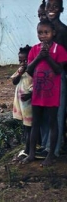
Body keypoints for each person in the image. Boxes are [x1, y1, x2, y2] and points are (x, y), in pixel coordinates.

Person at [22, 19, 67, 166]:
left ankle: (50, 155)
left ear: (53, 33)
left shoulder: (59, 50)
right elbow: (29, 69)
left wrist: (47, 57)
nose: (43, 36)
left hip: (52, 95)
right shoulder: (35, 50)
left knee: (53, 122)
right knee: (36, 123)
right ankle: (32, 154)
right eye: (40, 33)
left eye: (46, 32)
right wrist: (39, 57)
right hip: (38, 93)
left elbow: (59, 69)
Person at [44, 0, 67, 157]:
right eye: (49, 6)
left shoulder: (63, 30)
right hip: (47, 77)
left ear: (61, 9)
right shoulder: (47, 30)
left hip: (60, 76)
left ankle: (55, 149)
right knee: (48, 112)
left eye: (55, 7)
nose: (51, 9)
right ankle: (48, 146)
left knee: (58, 113)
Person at [10, 45, 34, 163]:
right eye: (21, 61)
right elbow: (14, 81)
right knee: (25, 127)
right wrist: (20, 72)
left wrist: (30, 95)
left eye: (26, 60)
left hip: (29, 103)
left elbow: (36, 86)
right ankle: (27, 148)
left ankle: (28, 149)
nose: (23, 63)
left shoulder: (34, 70)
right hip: (21, 103)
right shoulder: (21, 70)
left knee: (29, 127)